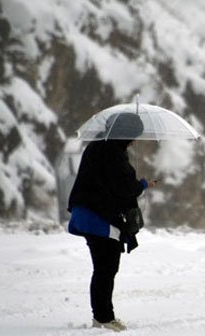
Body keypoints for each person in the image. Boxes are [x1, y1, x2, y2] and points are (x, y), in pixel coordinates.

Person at [68, 112, 159, 332]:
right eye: (133, 135)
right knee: (106, 269)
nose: (134, 140)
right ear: (125, 134)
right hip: (99, 218)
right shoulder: (113, 153)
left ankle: (102, 315)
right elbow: (124, 188)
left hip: (86, 213)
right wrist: (143, 184)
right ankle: (103, 318)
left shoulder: (97, 147)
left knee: (102, 268)